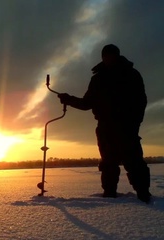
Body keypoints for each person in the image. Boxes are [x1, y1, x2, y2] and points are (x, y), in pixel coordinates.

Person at [58, 44, 151, 203]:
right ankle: (109, 195)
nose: (108, 58)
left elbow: (140, 101)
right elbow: (87, 103)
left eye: (111, 55)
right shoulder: (98, 78)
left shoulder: (131, 74)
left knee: (134, 162)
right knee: (108, 164)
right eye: (105, 56)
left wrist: (134, 124)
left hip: (126, 127)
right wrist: (68, 99)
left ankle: (144, 194)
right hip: (105, 128)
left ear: (117, 55)